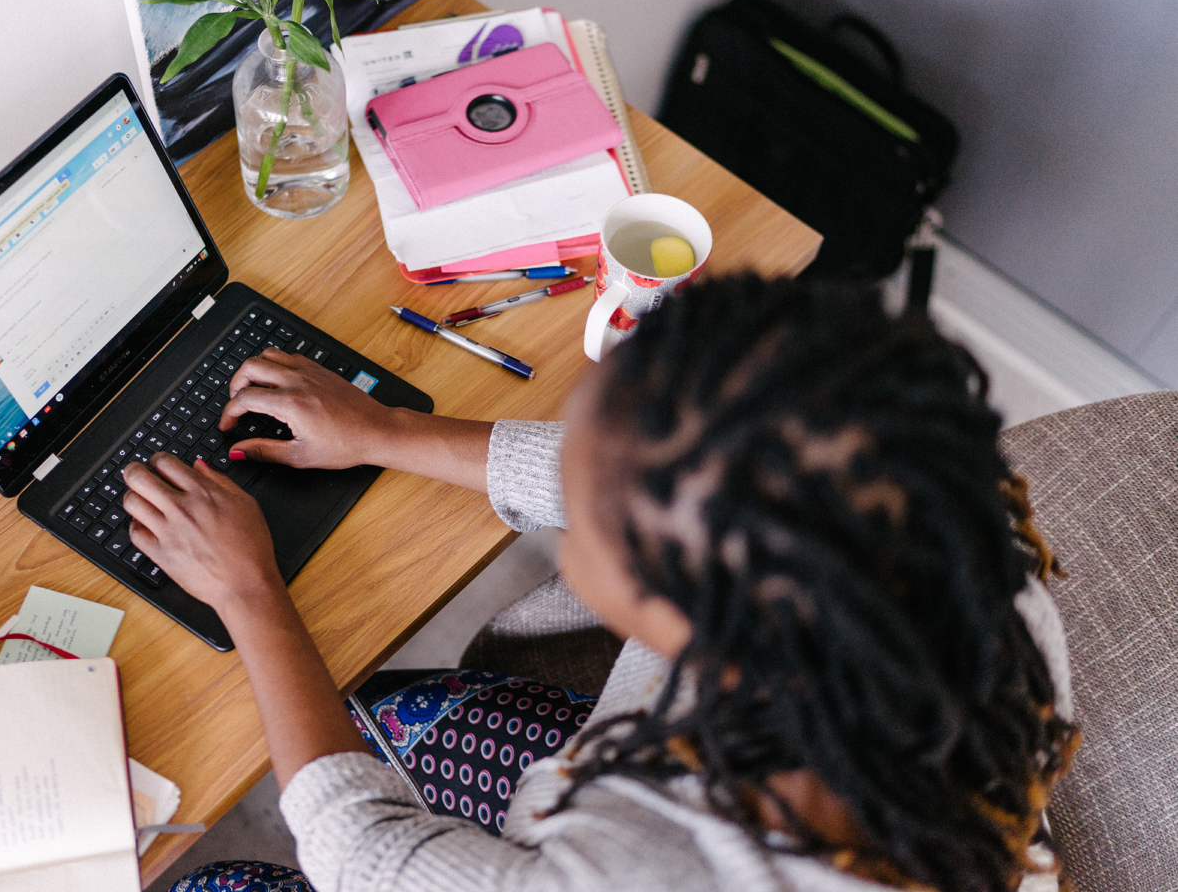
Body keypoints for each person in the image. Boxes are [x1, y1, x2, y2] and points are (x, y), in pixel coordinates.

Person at [123, 273, 1079, 892]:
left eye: (597, 524)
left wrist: (249, 590)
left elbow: (360, 847)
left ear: (687, 612)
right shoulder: (956, 551)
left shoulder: (657, 864)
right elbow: (664, 472)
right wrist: (386, 432)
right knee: (381, 707)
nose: (569, 523)